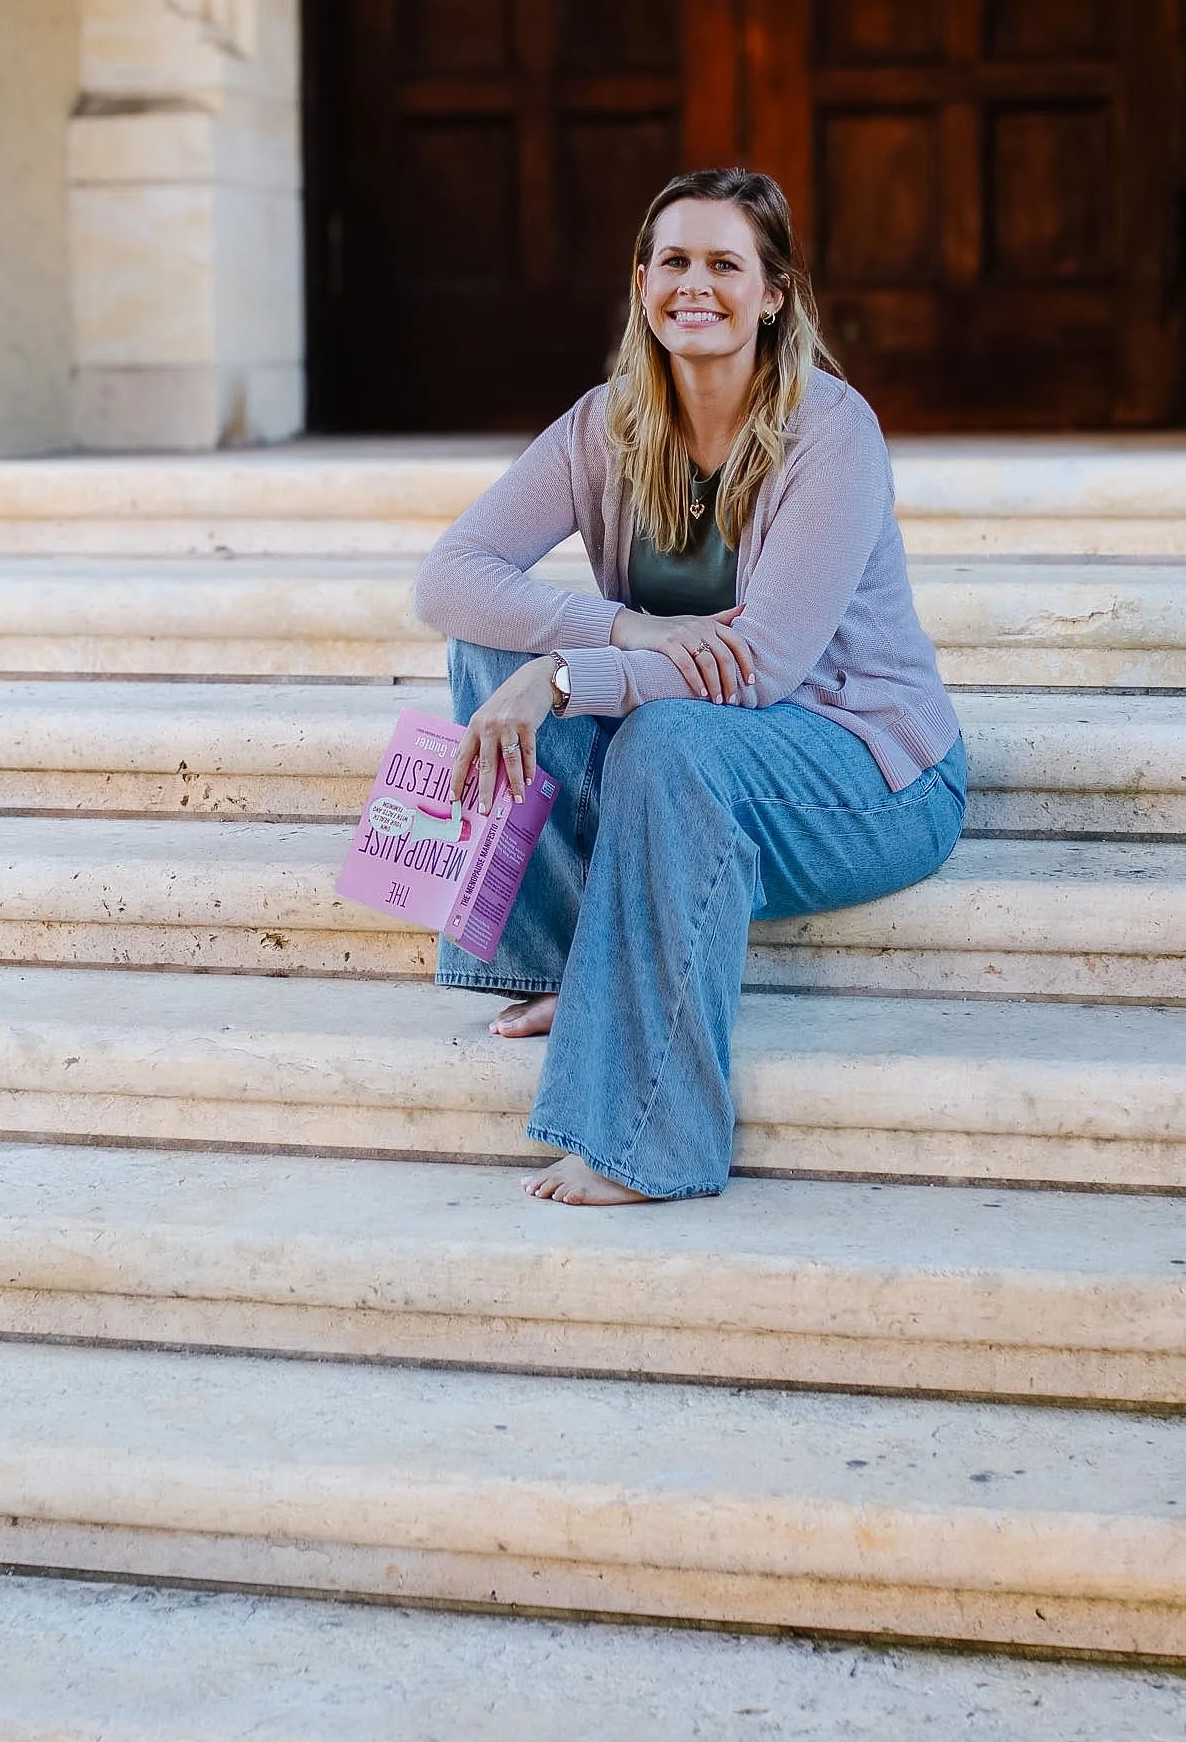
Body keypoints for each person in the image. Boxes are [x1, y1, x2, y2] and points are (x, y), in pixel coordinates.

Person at [412, 167, 965, 1206]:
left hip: (865, 772)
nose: (694, 284)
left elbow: (761, 668)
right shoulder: (606, 423)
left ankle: (648, 1140)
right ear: (641, 283)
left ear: (774, 293)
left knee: (662, 735)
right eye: (674, 260)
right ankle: (546, 961)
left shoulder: (830, 430)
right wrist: (619, 627)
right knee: (491, 653)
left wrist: (572, 673)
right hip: (702, 754)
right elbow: (450, 577)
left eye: (725, 263)